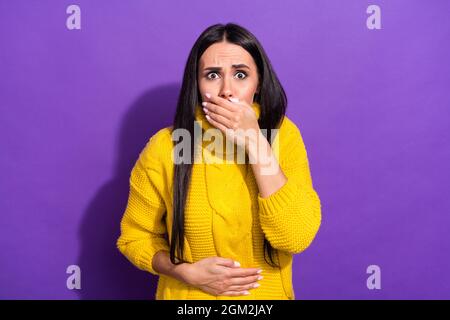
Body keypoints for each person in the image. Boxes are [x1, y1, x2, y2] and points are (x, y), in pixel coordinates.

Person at [116, 23, 322, 300]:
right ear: (197, 84)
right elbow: (134, 238)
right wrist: (182, 271)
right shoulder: (167, 145)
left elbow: (296, 236)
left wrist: (256, 143)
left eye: (240, 74)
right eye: (212, 75)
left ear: (258, 82)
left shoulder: (283, 136)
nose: (227, 90)